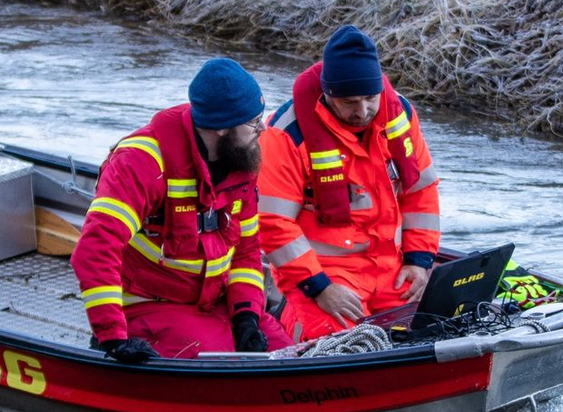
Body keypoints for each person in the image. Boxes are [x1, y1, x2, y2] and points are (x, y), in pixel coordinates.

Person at [72, 58, 292, 362]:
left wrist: (246, 317)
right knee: (222, 365)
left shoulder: (240, 161)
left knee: (285, 352)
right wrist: (113, 336)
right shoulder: (142, 162)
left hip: (214, 300)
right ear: (222, 128)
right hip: (149, 304)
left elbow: (246, 253)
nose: (262, 129)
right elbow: (95, 249)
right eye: (254, 123)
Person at [258, 25, 441, 340]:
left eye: (370, 98)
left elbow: (420, 191)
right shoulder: (285, 136)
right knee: (336, 342)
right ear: (328, 94)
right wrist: (319, 288)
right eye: (350, 102)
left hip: (393, 269)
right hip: (323, 274)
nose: (363, 111)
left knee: (439, 324)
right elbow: (273, 223)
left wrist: (419, 260)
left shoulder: (401, 116)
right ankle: (284, 314)